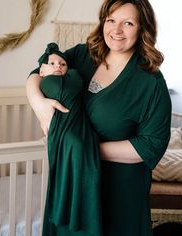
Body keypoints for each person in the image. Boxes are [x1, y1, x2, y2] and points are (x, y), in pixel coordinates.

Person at [26, 0, 172, 235]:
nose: (116, 30)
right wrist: (38, 102)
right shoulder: (84, 55)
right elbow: (39, 71)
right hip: (70, 183)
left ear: (143, 28)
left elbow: (151, 145)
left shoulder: (151, 82)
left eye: (128, 23)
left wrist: (84, 148)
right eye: (111, 20)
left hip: (119, 194)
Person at [37, 43, 103, 236]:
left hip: (82, 129)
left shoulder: (68, 77)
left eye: (63, 64)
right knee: (79, 168)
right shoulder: (48, 83)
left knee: (85, 174)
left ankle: (77, 214)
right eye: (52, 63)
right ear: (41, 71)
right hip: (68, 135)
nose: (58, 66)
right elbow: (66, 87)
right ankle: (76, 216)